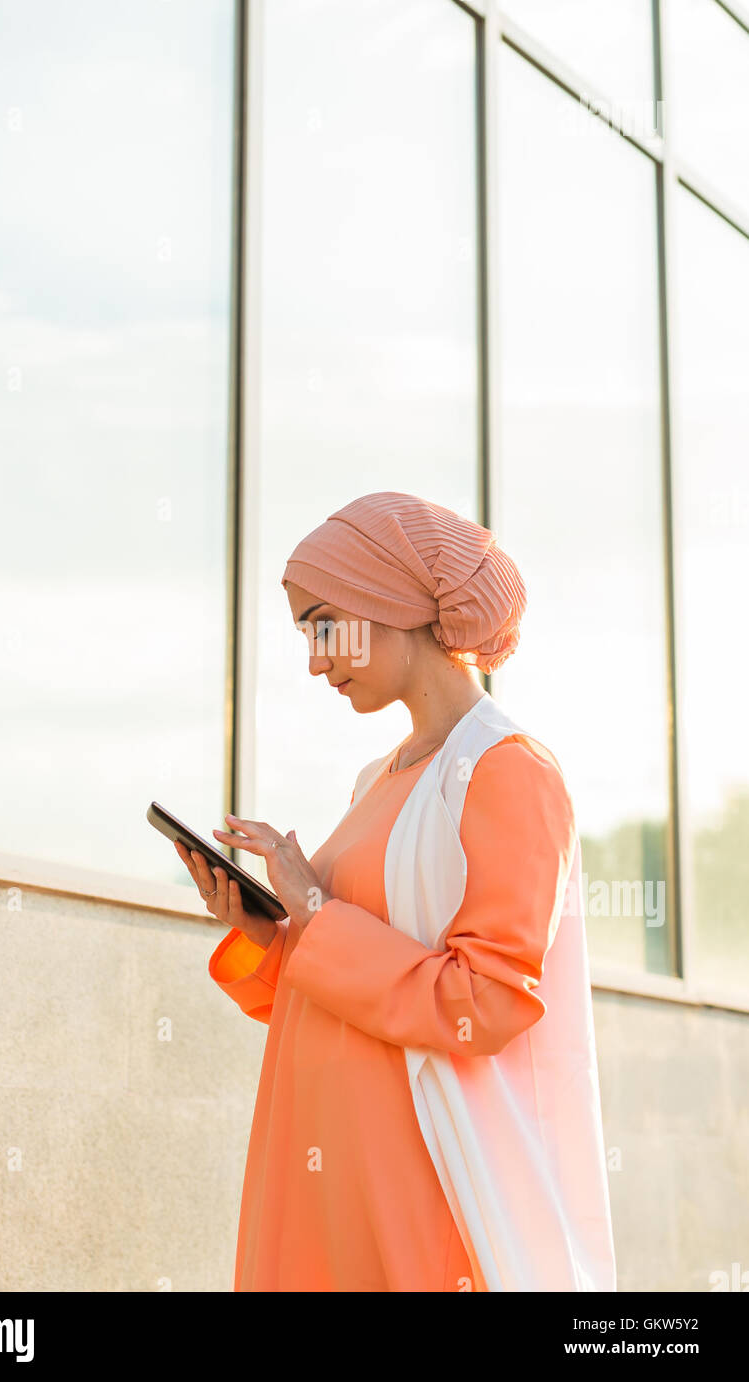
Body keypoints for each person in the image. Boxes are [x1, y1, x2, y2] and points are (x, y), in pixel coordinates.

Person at [175, 490, 617, 1292]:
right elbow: (348, 979)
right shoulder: (375, 781)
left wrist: (314, 909)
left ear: (388, 601)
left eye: (322, 625)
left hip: (412, 1175)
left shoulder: (510, 772)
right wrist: (275, 931)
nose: (315, 661)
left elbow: (482, 1002)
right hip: (314, 1160)